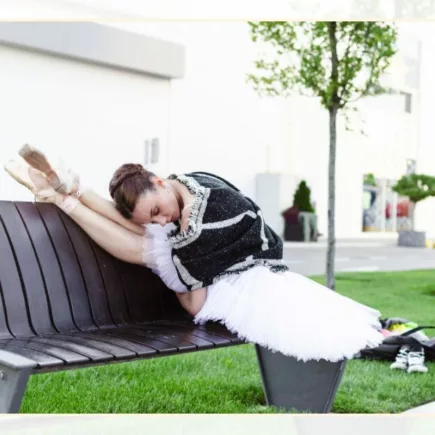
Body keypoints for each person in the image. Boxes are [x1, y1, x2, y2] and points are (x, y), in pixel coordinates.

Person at [4, 144, 384, 363]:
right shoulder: (183, 189)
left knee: (148, 245)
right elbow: (185, 286)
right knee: (149, 239)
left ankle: (68, 191)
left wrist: (174, 242)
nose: (164, 217)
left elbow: (193, 298)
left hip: (225, 278)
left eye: (158, 208)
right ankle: (65, 192)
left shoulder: (203, 214)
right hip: (212, 270)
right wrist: (164, 228)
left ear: (159, 180)